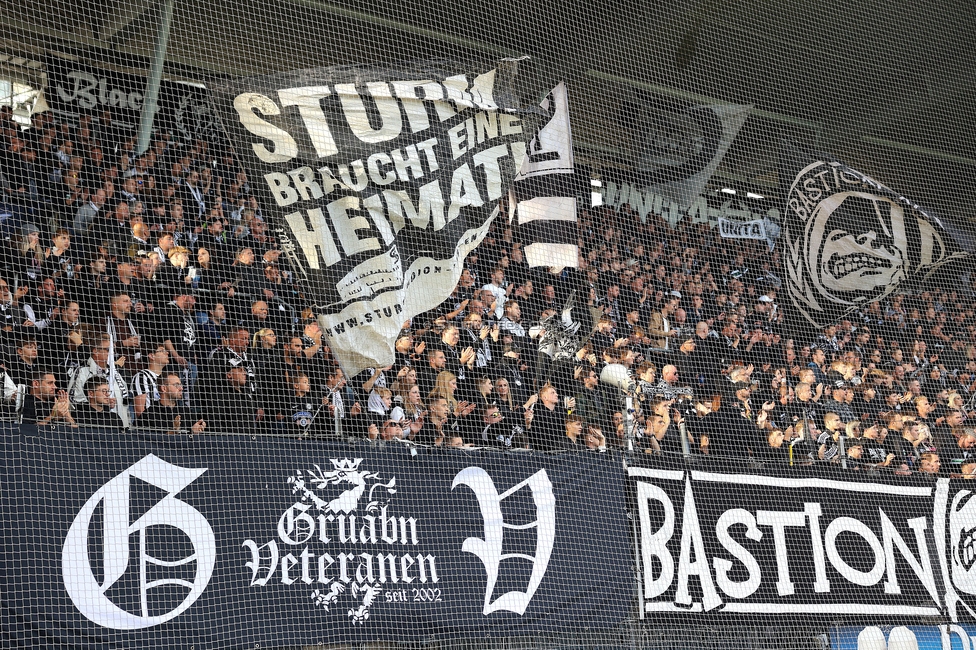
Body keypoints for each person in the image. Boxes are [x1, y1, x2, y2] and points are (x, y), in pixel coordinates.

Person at [135, 372, 205, 434]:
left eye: (180, 385)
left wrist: (195, 431)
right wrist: (173, 431)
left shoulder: (186, 412)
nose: (181, 388)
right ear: (164, 388)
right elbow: (145, 442)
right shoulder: (149, 414)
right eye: (176, 385)